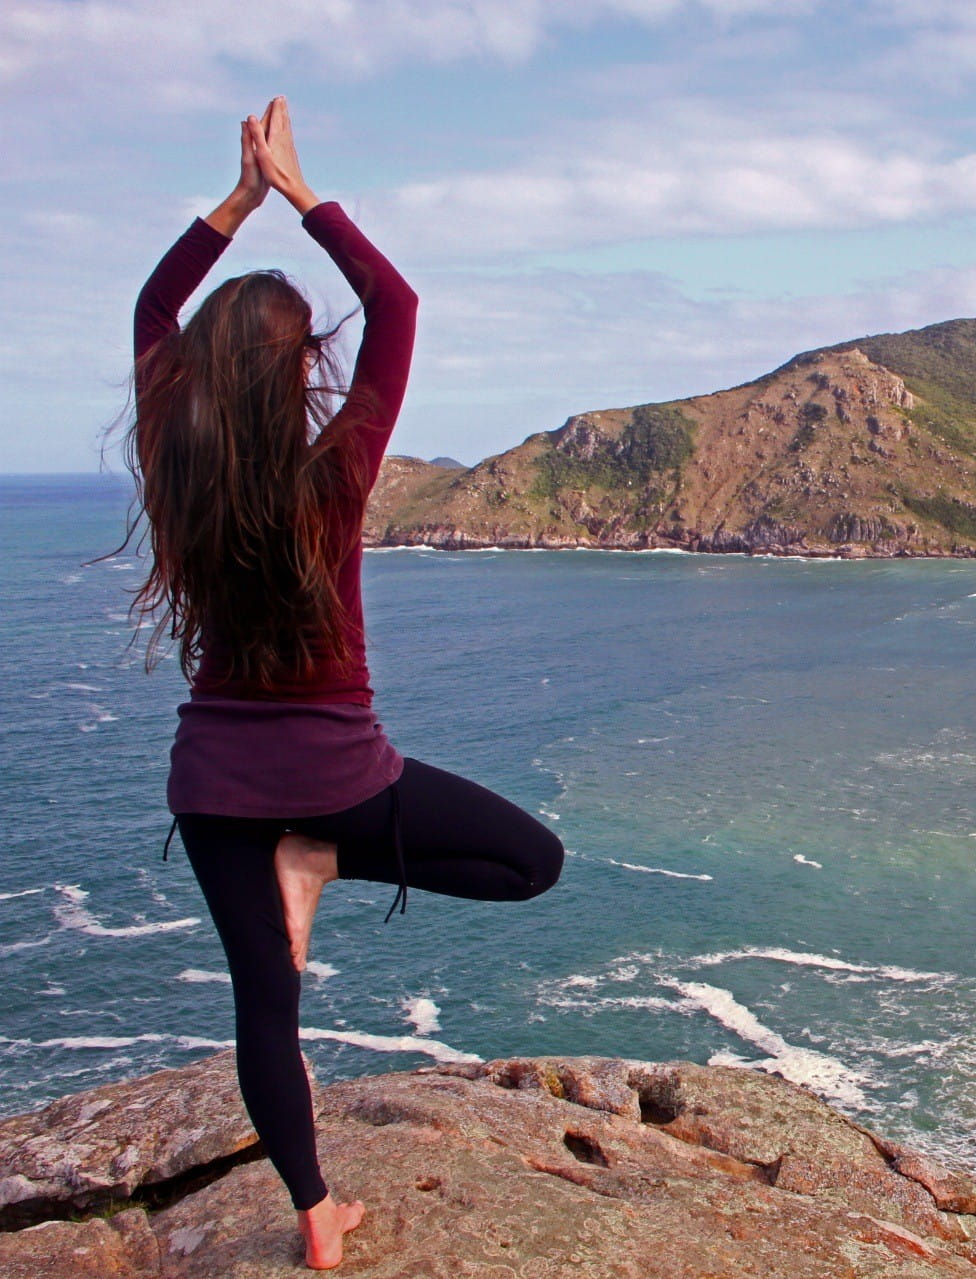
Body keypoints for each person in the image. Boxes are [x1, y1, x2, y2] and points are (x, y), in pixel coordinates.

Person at [123, 98, 565, 1270]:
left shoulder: (180, 470)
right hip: (340, 778)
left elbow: (152, 311)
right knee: (533, 861)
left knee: (264, 1006)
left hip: (212, 789)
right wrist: (301, 192)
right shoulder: (338, 477)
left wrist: (235, 204)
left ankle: (315, 1218)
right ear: (304, 369)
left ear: (205, 372)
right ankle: (322, 853)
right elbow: (400, 307)